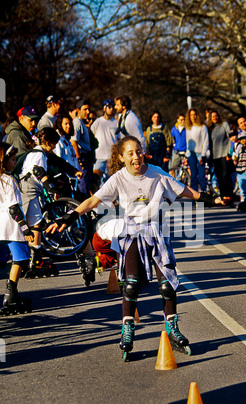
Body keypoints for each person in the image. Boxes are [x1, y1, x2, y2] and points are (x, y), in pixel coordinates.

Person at [46, 135, 224, 360]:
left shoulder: (157, 173)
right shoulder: (118, 178)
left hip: (157, 231)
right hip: (132, 232)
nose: (136, 156)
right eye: (130, 153)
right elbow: (93, 201)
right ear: (121, 157)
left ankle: (173, 329)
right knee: (131, 284)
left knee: (167, 284)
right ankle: (127, 330)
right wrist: (69, 217)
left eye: (138, 151)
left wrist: (208, 198)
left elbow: (181, 190)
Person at [19, 127, 80, 278]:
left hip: (31, 189)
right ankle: (29, 260)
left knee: (36, 223)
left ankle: (34, 258)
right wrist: (51, 189)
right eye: (53, 145)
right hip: (29, 189)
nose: (53, 148)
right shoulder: (39, 154)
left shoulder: (38, 152)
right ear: (47, 143)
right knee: (28, 225)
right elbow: (38, 171)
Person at [0, 142, 34, 315]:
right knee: (20, 260)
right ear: (3, 161)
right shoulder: (8, 180)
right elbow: (13, 209)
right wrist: (26, 229)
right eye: (12, 159)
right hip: (11, 228)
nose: (15, 163)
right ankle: (11, 294)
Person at [90, 98, 118, 189]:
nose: (111, 109)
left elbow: (120, 138)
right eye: (109, 107)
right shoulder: (98, 122)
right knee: (95, 179)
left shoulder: (116, 123)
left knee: (111, 180)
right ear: (104, 108)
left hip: (111, 156)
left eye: (112, 107)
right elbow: (91, 135)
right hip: (99, 156)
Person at [207, 110, 234, 204]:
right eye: (213, 116)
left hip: (224, 154)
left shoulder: (224, 124)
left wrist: (229, 152)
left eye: (216, 116)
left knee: (226, 175)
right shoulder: (210, 128)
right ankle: (223, 196)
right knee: (219, 177)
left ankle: (229, 195)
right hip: (215, 156)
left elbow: (231, 137)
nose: (215, 118)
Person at [71, 99, 93, 200]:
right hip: (82, 158)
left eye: (88, 109)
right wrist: (79, 159)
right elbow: (74, 141)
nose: (87, 112)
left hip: (87, 157)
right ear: (78, 110)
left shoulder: (82, 122)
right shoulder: (77, 122)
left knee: (87, 185)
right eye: (85, 109)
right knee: (83, 187)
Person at [185, 108, 209, 192]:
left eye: (194, 114)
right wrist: (187, 154)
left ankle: (204, 194)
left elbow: (205, 141)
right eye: (191, 115)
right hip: (191, 154)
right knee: (193, 176)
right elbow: (188, 141)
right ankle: (194, 195)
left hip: (200, 154)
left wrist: (203, 154)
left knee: (202, 176)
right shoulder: (188, 128)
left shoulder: (202, 127)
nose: (193, 117)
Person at [169, 113, 187, 178]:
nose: (182, 121)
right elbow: (172, 139)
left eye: (183, 120)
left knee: (186, 169)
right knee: (172, 168)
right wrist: (174, 146)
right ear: (177, 120)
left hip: (185, 152)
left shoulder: (187, 128)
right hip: (177, 152)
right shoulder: (174, 129)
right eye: (181, 120)